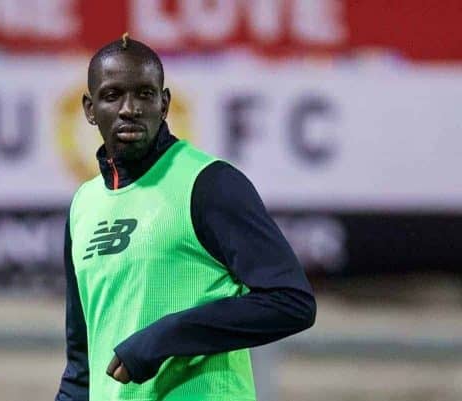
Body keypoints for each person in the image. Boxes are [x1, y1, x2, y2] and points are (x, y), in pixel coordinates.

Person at [56, 34, 316, 401]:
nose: (129, 108)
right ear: (89, 108)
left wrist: (164, 338)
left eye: (144, 94)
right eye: (113, 95)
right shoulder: (84, 205)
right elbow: (82, 368)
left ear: (164, 104)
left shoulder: (209, 184)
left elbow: (291, 301)